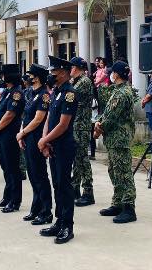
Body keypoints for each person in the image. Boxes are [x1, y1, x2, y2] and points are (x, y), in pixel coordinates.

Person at [37, 55, 78, 244]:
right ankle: (58, 221)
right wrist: (44, 140)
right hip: (52, 145)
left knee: (64, 186)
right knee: (56, 185)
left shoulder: (70, 93)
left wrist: (45, 139)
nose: (51, 75)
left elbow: (63, 125)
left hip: (63, 146)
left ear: (63, 73)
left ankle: (67, 226)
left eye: (54, 72)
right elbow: (48, 118)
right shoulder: (56, 92)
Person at [94, 61, 137, 224]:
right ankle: (118, 203)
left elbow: (111, 117)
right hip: (114, 139)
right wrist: (99, 122)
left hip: (120, 139)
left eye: (112, 72)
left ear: (117, 75)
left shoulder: (122, 93)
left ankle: (128, 207)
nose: (110, 74)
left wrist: (99, 128)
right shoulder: (118, 90)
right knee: (114, 171)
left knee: (123, 173)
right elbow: (106, 111)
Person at [16, 64, 53, 224]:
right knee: (32, 174)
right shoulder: (31, 93)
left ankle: (46, 211)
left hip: (37, 138)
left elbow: (38, 119)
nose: (28, 77)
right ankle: (36, 208)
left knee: (40, 175)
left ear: (37, 77)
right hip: (27, 137)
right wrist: (22, 133)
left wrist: (22, 133)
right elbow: (26, 116)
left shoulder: (44, 95)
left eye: (31, 75)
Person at [0, 64, 24, 212]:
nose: (2, 78)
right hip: (1, 133)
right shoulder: (7, 92)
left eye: (4, 75)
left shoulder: (17, 93)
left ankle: (15, 200)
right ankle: (7, 196)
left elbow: (10, 114)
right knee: (5, 167)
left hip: (9, 134)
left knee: (12, 168)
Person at [70, 56, 95, 207]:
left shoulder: (84, 81)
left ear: (77, 68)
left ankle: (88, 191)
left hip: (82, 126)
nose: (70, 70)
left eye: (71, 67)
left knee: (82, 159)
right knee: (77, 159)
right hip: (76, 125)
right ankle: (75, 188)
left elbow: (71, 95)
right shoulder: (77, 81)